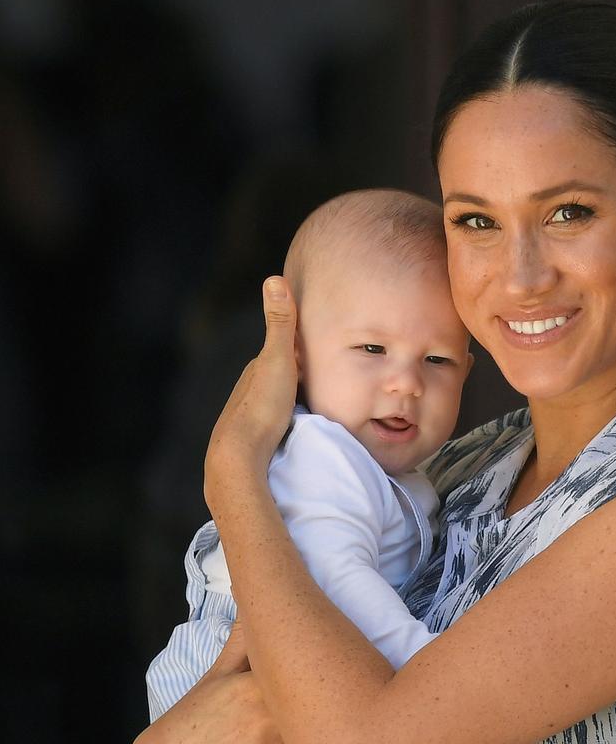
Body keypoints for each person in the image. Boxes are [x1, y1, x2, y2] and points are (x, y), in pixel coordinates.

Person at [137, 1, 616, 744]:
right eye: (476, 221)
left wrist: (236, 474)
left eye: (568, 213)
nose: (520, 277)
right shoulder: (464, 465)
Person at [145, 189, 473, 719]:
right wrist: (424, 665)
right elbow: (337, 577)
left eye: (437, 360)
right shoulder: (323, 456)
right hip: (231, 674)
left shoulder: (398, 471)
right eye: (373, 349)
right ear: (295, 352)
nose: (406, 383)